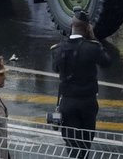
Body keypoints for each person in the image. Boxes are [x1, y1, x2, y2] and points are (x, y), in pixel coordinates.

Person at [51, 8, 111, 158]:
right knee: (85, 143)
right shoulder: (92, 48)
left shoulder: (59, 49)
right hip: (87, 103)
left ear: (71, 26)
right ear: (87, 28)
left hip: (68, 103)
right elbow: (106, 62)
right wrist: (94, 38)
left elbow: (55, 68)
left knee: (72, 144)